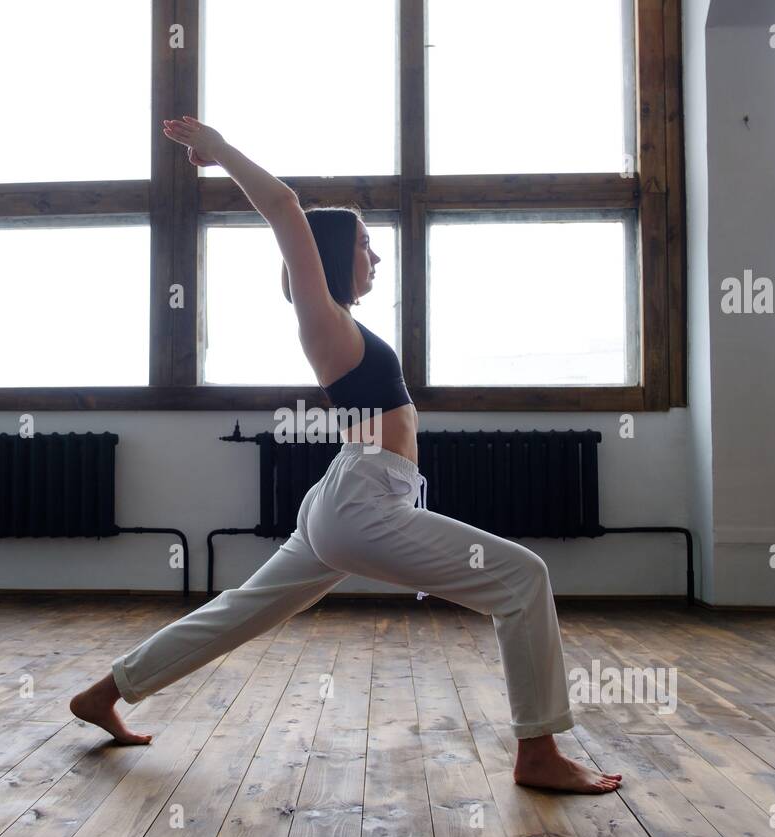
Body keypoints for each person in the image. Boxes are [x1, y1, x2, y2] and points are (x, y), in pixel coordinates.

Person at [71, 116, 622, 794]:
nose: (376, 257)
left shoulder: (346, 326)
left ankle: (105, 692)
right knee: (522, 577)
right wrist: (216, 150)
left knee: (238, 610)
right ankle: (538, 752)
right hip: (362, 500)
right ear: (332, 256)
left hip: (352, 498)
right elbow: (282, 207)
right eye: (366, 246)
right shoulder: (323, 319)